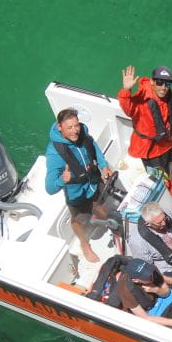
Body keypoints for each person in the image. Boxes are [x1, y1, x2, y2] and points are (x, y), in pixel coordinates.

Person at [45, 108, 113, 263]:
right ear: (59, 127)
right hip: (76, 194)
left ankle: (108, 223)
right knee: (78, 221)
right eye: (69, 127)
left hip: (94, 182)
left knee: (102, 209)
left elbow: (93, 146)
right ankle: (84, 243)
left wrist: (103, 165)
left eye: (77, 126)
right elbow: (49, 188)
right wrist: (62, 180)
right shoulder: (55, 153)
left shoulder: (83, 134)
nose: (75, 131)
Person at [90, 256, 172, 336]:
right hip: (157, 314)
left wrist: (155, 289)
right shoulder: (126, 290)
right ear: (136, 280)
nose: (152, 277)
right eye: (147, 278)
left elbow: (166, 291)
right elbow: (145, 318)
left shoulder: (149, 270)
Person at [118, 64, 172, 181]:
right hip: (149, 151)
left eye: (168, 83)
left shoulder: (168, 96)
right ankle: (166, 191)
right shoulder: (142, 99)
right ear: (152, 81)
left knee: (168, 168)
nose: (164, 87)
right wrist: (126, 90)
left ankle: (169, 183)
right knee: (159, 178)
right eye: (159, 82)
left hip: (166, 143)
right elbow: (129, 109)